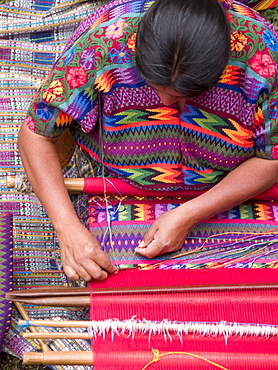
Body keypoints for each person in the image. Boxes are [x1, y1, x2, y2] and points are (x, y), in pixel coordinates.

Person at [17, 0, 278, 282]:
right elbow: (36, 133)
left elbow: (272, 156)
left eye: (182, 96)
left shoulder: (260, 51)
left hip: (227, 180)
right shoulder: (104, 43)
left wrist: (190, 213)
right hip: (115, 176)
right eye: (155, 87)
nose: (165, 102)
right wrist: (67, 228)